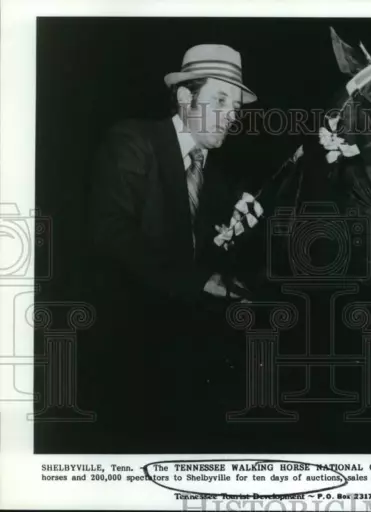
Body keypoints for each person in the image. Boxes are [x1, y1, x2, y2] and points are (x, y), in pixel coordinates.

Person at [87, 44, 262, 448]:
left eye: (235, 106)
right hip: (126, 353)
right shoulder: (133, 140)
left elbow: (210, 257)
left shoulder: (217, 178)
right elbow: (109, 233)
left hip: (187, 358)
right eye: (220, 100)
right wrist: (201, 281)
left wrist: (239, 234)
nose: (232, 115)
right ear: (185, 98)